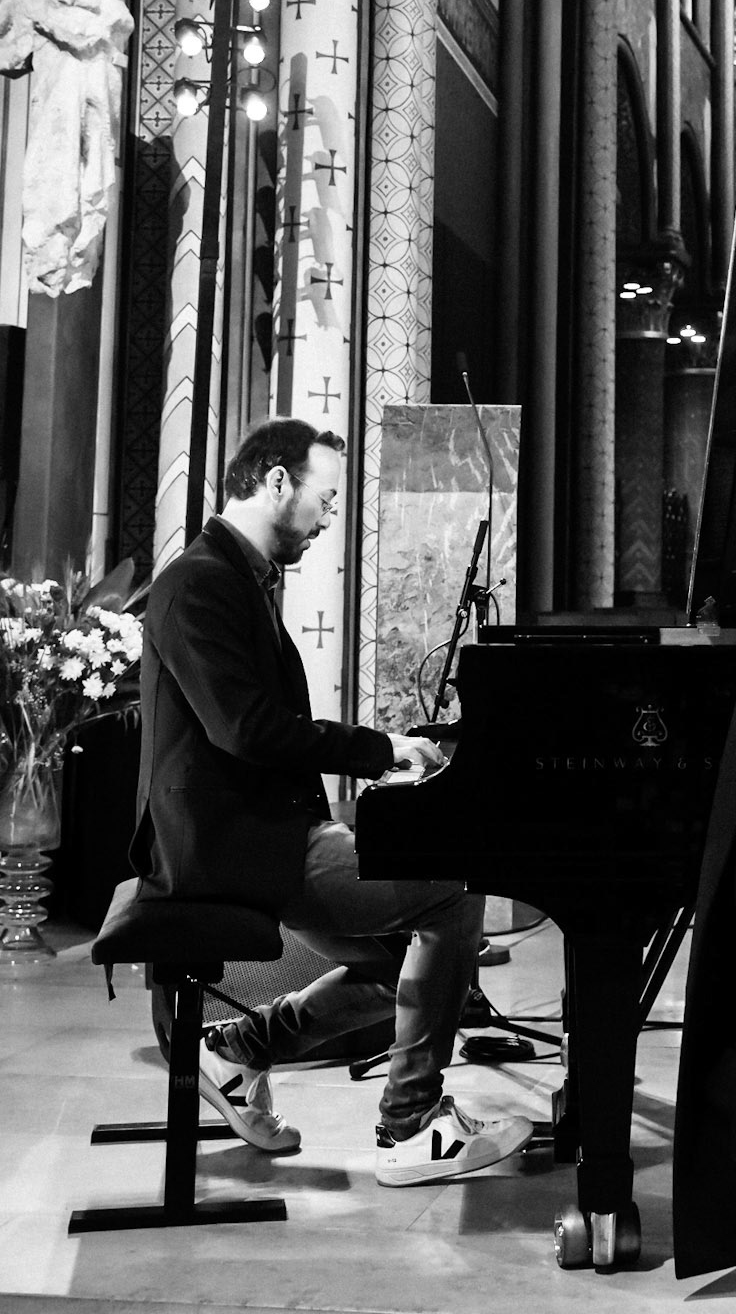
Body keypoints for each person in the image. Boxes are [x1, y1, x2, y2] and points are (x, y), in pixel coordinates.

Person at [131, 416, 532, 1184]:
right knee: (451, 892)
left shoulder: (232, 577)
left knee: (408, 961)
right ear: (276, 480)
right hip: (230, 847)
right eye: (327, 497)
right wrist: (375, 751)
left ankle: (239, 1046)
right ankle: (410, 1127)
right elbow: (246, 729)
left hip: (261, 832)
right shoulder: (199, 582)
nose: (329, 517)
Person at [0, 0, 133, 296]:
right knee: (51, 187)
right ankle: (51, 264)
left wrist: (75, 6)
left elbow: (118, 20)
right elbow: (8, 51)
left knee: (91, 181)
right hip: (54, 97)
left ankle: (76, 261)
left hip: (93, 86)